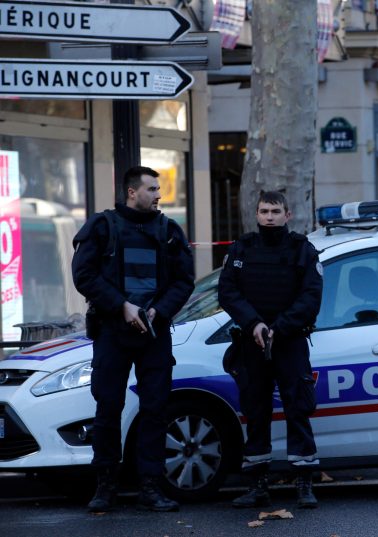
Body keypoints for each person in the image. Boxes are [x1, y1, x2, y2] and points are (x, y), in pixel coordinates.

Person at [72, 166, 195, 513]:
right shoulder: (103, 226)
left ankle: (150, 487)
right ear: (131, 192)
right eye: (153, 189)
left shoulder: (169, 230)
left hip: (154, 333)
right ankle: (106, 486)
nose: (159, 195)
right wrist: (122, 306)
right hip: (113, 330)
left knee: (156, 410)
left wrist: (159, 311)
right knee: (108, 408)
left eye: (159, 189)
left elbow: (184, 281)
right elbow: (84, 275)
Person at [218, 191, 323, 509]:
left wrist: (280, 327)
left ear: (288, 215)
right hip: (252, 343)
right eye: (264, 211)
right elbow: (227, 291)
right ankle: (258, 484)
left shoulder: (302, 249)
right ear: (257, 214)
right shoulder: (242, 248)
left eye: (276, 211)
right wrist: (255, 325)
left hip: (289, 342)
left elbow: (311, 296)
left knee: (298, 409)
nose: (269, 216)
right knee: (256, 412)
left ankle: (304, 482)